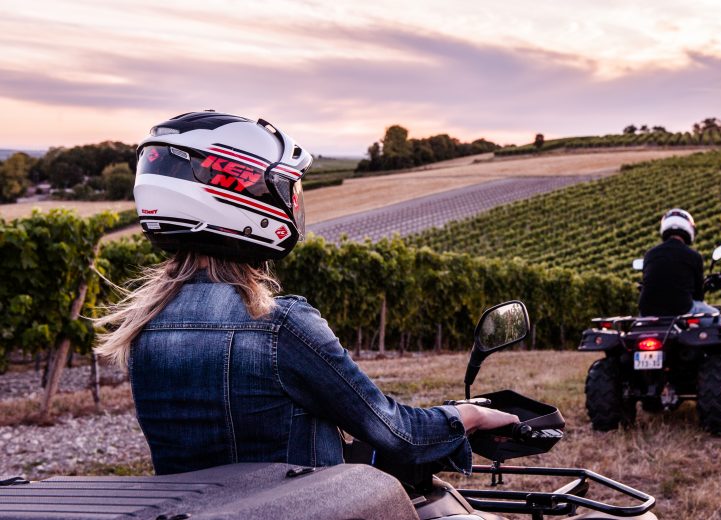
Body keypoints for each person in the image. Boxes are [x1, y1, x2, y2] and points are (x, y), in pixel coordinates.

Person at [94, 111, 518, 476]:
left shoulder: (144, 327)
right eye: (286, 188)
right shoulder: (279, 327)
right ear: (244, 195)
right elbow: (395, 432)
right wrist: (470, 414)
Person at [638, 208, 718, 317]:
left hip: (647, 313)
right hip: (681, 310)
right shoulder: (694, 256)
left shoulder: (649, 254)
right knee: (715, 315)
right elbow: (698, 296)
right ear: (689, 227)